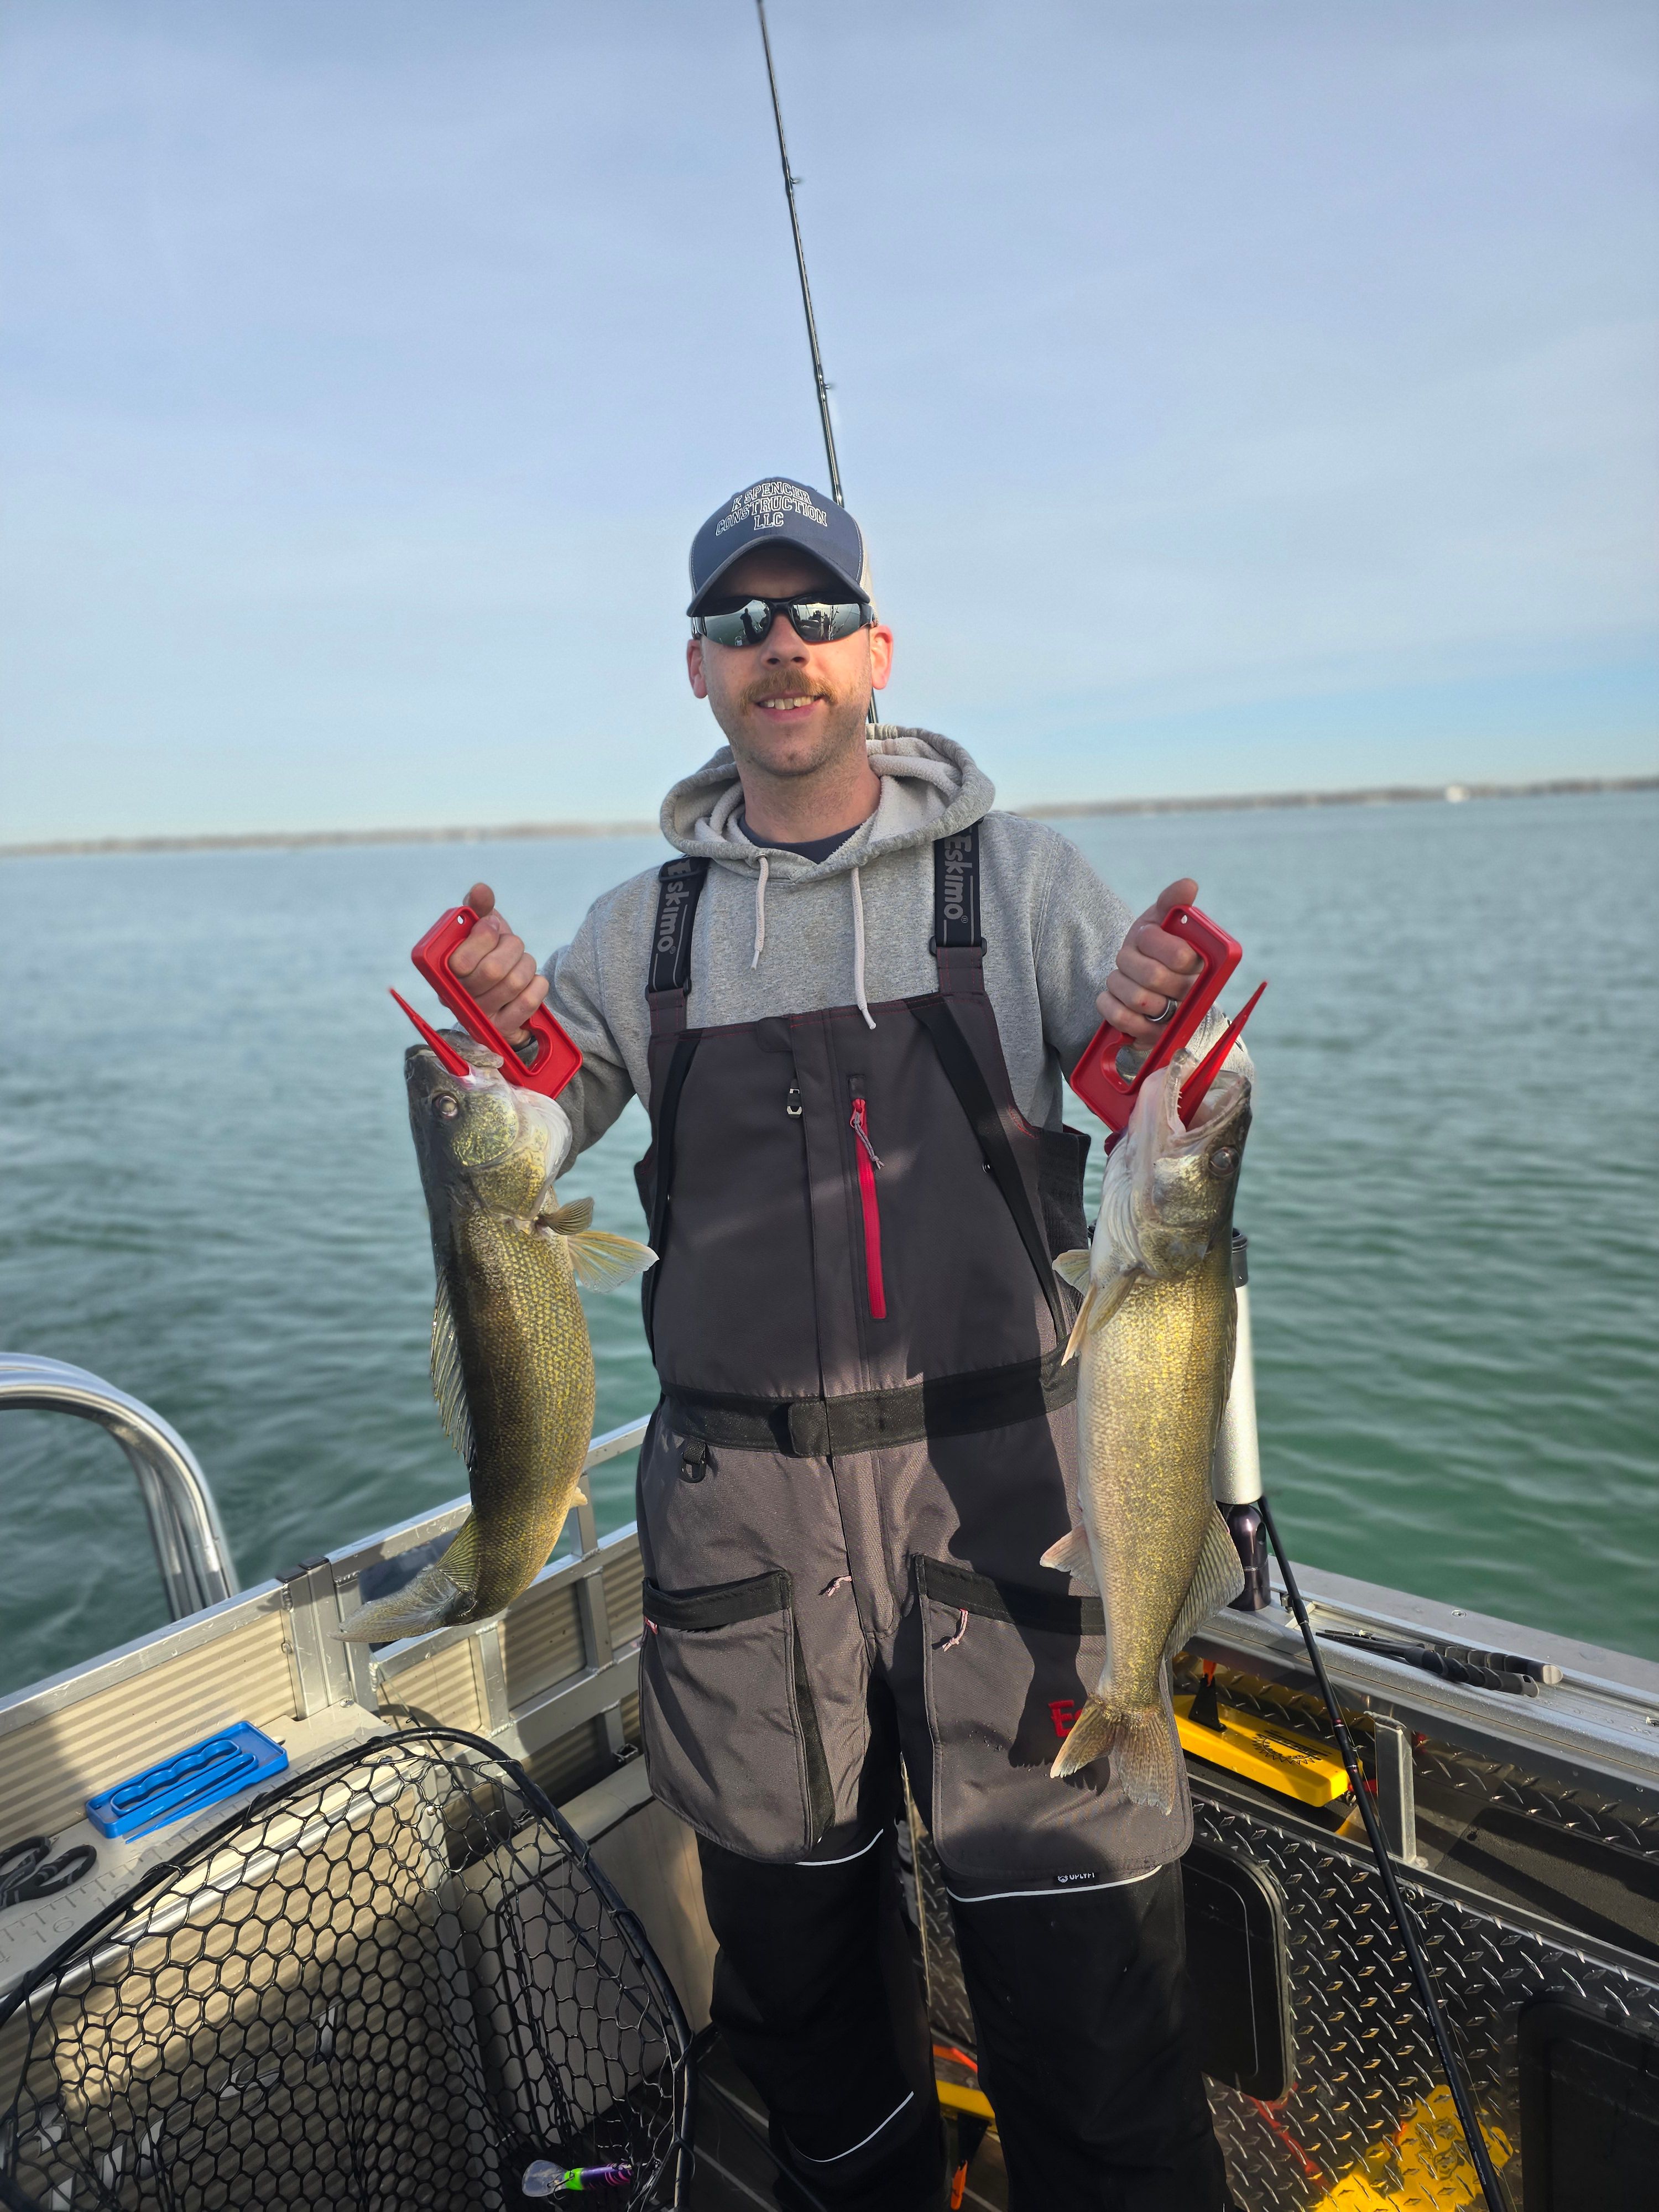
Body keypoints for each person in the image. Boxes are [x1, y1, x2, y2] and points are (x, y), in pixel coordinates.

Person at [452, 477, 1227, 2211]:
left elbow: (1164, 1107)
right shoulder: (636, 934)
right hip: (745, 1535)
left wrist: (1168, 1042)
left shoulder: (1018, 885)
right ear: (698, 672)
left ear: (879, 651)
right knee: (803, 2004)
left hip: (1004, 1505)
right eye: (742, 623)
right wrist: (504, 1044)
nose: (778, 650)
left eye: (812, 618)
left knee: (1090, 2006)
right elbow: (526, 1135)